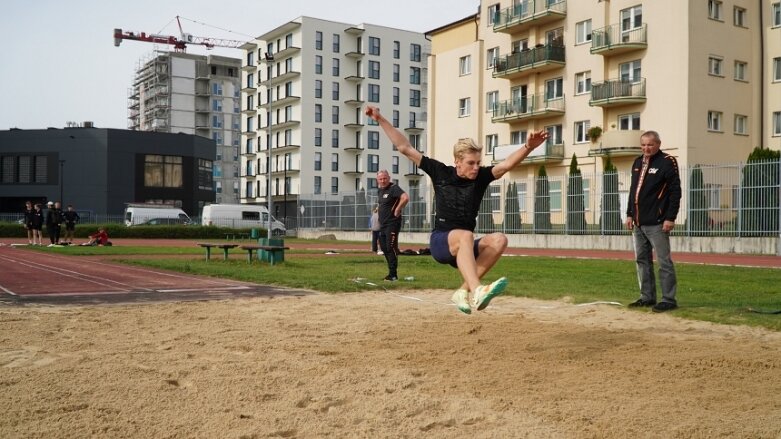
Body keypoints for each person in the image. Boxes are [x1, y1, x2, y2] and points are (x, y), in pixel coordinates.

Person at [365, 105, 548, 313]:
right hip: (442, 242)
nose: (476, 167)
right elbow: (405, 147)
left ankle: (462, 291)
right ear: (457, 162)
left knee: (499, 239)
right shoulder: (441, 172)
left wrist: (528, 147)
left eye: (478, 162)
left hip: (465, 246)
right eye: (471, 163)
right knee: (465, 236)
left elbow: (505, 166)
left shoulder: (480, 178)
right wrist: (380, 119)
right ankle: (477, 289)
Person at [625, 130, 682, 313]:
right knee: (642, 260)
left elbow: (675, 192)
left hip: (658, 222)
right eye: (643, 145)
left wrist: (670, 218)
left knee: (664, 261)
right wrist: (629, 214)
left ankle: (668, 299)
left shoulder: (667, 162)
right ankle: (647, 297)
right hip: (639, 223)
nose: (646, 148)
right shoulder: (637, 162)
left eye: (650, 144)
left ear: (658, 144)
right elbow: (634, 191)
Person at [376, 170, 409, 281]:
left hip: (392, 223)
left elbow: (405, 197)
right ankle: (390, 273)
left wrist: (398, 209)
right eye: (380, 179)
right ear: (377, 180)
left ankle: (393, 275)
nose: (383, 181)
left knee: (391, 247)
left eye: (385, 178)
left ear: (389, 178)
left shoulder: (394, 188)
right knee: (384, 248)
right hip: (383, 225)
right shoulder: (380, 191)